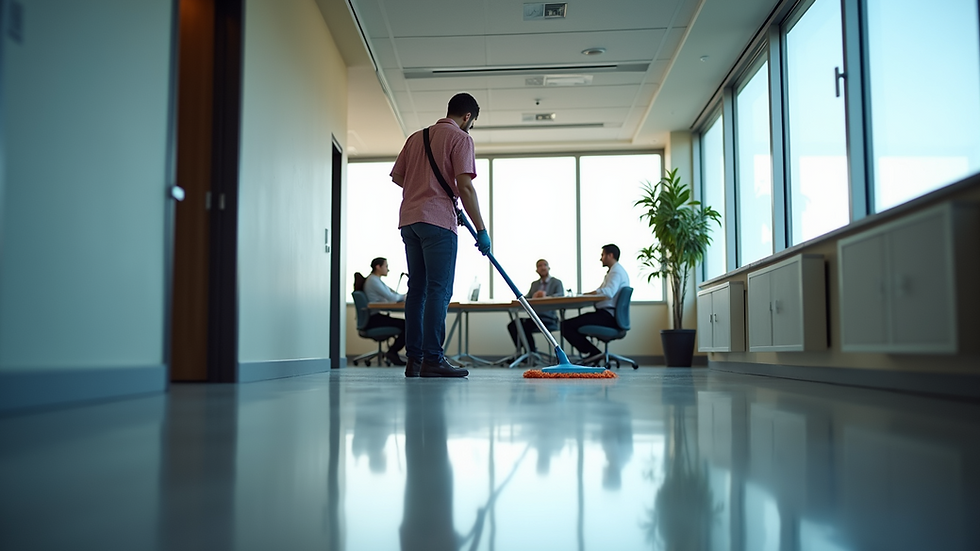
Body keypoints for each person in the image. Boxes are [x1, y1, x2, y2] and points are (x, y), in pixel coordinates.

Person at [391, 92, 490, 378]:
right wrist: (481, 229)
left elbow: (399, 177)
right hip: (437, 222)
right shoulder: (461, 138)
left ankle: (414, 360)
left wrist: (424, 188)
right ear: (468, 117)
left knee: (417, 290)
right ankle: (432, 359)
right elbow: (465, 186)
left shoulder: (415, 138)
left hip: (409, 221)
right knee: (438, 290)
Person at [561, 244, 630, 364]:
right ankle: (594, 353)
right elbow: (605, 291)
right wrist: (590, 294)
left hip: (608, 317)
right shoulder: (614, 271)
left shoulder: (616, 272)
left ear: (610, 255)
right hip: (608, 315)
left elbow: (609, 293)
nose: (601, 258)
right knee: (570, 324)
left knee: (565, 326)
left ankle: (594, 353)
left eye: (603, 255)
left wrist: (590, 294)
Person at [506, 259, 564, 353]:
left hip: (549, 318)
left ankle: (531, 352)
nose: (542, 267)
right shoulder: (534, 284)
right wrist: (532, 297)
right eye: (539, 266)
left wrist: (546, 297)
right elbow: (527, 298)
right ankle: (527, 352)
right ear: (536, 270)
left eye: (544, 265)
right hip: (535, 318)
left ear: (549, 267)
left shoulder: (556, 282)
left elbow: (561, 296)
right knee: (514, 325)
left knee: (523, 326)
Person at [358, 257, 407, 366]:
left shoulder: (375, 280)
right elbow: (392, 298)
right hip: (374, 319)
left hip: (375, 317)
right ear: (378, 267)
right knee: (407, 325)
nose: (388, 270)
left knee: (406, 323)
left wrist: (401, 296)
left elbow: (390, 295)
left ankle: (393, 352)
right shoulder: (373, 280)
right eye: (386, 266)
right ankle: (392, 352)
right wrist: (404, 297)